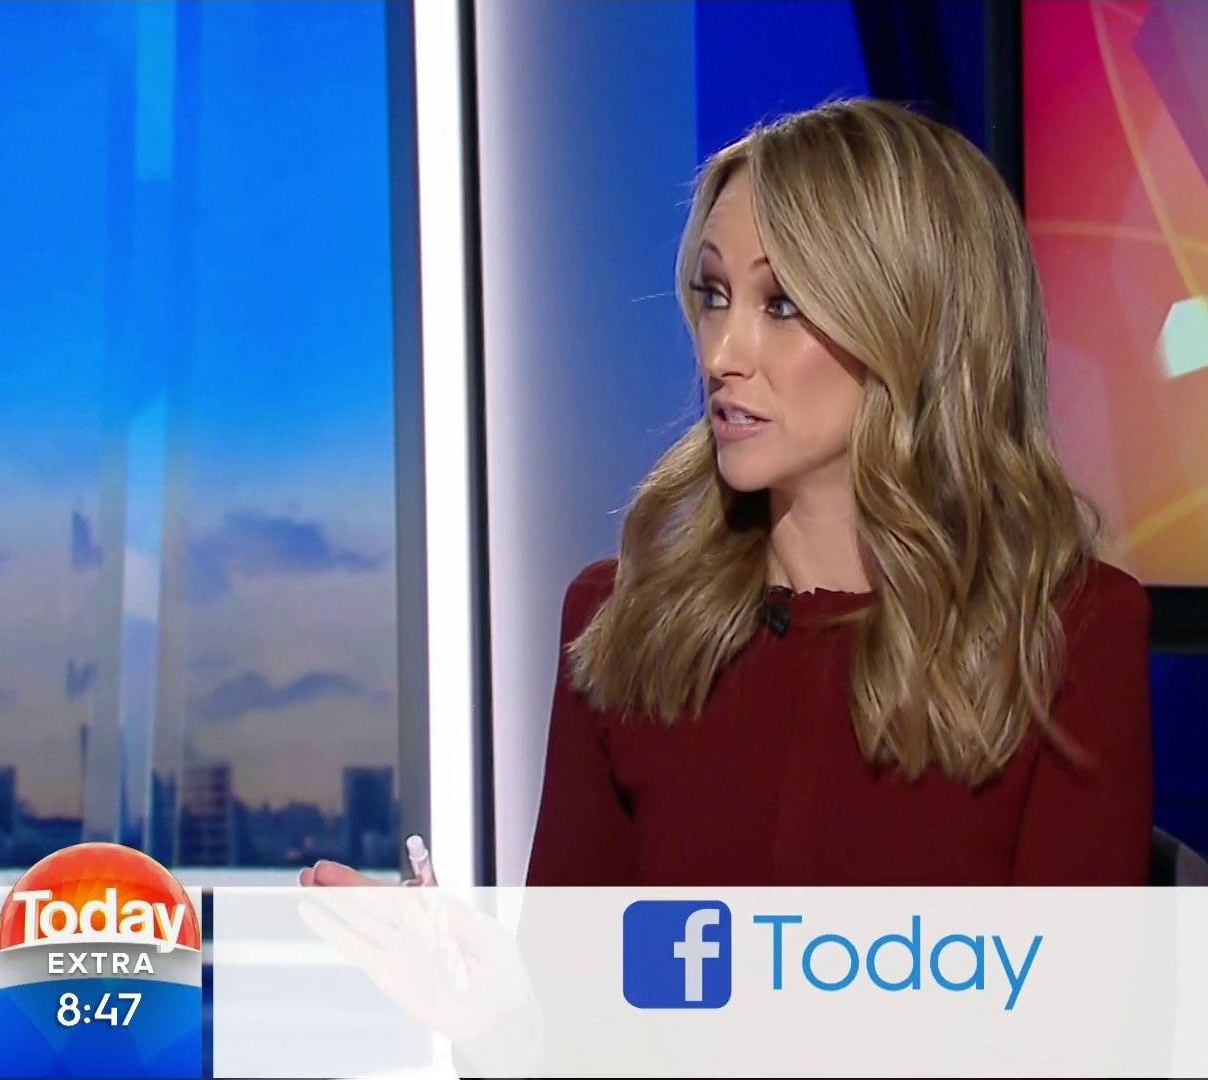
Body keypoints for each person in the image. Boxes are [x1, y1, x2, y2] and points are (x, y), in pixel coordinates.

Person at [306, 97, 1151, 891]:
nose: (720, 354)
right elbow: (571, 998)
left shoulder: (1066, 638)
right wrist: (465, 982)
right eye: (714, 296)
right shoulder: (625, 628)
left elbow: (1072, 1003)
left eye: (780, 304)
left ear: (915, 326)